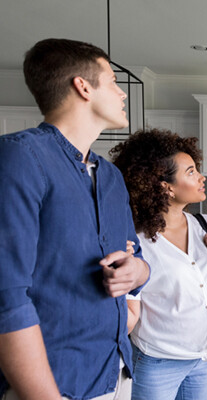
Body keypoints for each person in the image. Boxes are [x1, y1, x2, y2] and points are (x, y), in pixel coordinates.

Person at [0, 38, 151, 400]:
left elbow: (139, 262)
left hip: (114, 376)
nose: (122, 93)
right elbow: (7, 300)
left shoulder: (111, 177)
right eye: (114, 81)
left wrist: (136, 274)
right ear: (83, 87)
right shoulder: (20, 157)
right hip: (54, 385)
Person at [110, 128, 207, 400]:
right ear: (164, 186)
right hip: (158, 362)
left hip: (204, 359)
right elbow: (129, 304)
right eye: (190, 172)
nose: (202, 177)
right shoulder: (135, 237)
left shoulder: (206, 224)